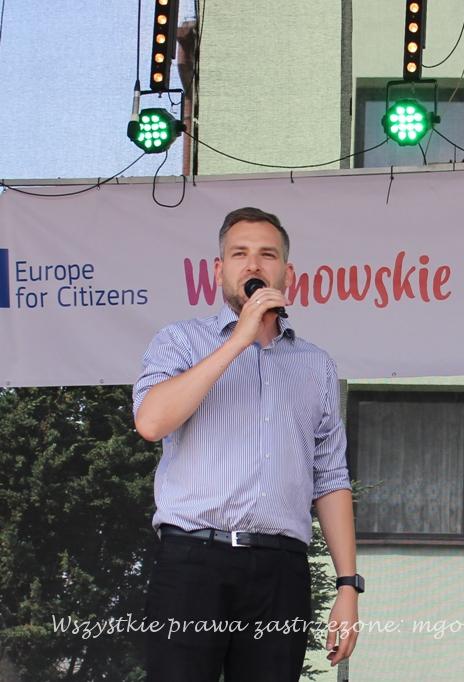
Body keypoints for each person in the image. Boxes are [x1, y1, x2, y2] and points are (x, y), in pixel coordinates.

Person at [132, 207, 361, 681]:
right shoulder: (180, 341)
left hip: (280, 568)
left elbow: (331, 477)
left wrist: (347, 585)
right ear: (219, 270)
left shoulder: (315, 364)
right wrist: (238, 340)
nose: (253, 265)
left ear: (287, 274)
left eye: (267, 255)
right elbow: (151, 422)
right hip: (193, 559)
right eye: (239, 254)